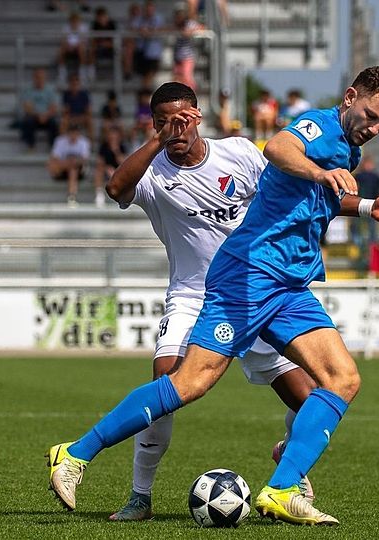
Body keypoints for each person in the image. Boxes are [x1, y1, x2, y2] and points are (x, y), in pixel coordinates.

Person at [45, 66, 379, 525]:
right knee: (189, 384)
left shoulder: (345, 151)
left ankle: (280, 489)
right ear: (350, 96)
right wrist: (321, 174)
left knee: (342, 379)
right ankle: (76, 454)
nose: (375, 128)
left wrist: (366, 206)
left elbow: (299, 193)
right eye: (372, 114)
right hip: (247, 276)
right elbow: (281, 148)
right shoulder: (318, 127)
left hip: (288, 285)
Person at [98, 82, 317, 520]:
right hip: (192, 296)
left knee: (311, 398)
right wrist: (158, 139)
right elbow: (115, 188)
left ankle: (290, 461)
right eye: (163, 122)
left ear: (197, 116)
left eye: (180, 120)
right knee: (166, 381)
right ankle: (140, 496)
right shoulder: (153, 172)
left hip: (254, 293)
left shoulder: (238, 152)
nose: (174, 129)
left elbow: (280, 195)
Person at [47, 123, 91, 207]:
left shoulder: (84, 142)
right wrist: (69, 162)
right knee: (56, 164)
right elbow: (54, 158)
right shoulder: (60, 141)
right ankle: (71, 196)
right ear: (68, 133)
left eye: (76, 133)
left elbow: (84, 160)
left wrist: (72, 162)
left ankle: (72, 195)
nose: (73, 135)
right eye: (72, 133)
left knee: (73, 169)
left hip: (79, 170)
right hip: (62, 169)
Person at [350, 153, 379, 250]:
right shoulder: (360, 176)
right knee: (358, 225)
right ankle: (359, 243)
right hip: (360, 203)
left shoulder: (375, 177)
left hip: (370, 204)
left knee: (371, 226)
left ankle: (370, 244)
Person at [19, 68, 60, 151]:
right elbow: (27, 108)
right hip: (34, 116)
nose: (40, 79)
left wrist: (45, 115)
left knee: (54, 123)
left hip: (47, 116)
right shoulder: (28, 90)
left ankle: (52, 146)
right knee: (28, 121)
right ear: (34, 78)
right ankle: (31, 146)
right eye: (37, 77)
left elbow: (54, 107)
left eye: (42, 77)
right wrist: (39, 115)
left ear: (45, 78)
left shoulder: (50, 90)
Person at [92, 127, 126, 208]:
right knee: (98, 171)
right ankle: (99, 195)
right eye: (111, 135)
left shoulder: (122, 147)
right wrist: (107, 168)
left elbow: (124, 163)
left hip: (119, 172)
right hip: (106, 171)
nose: (113, 138)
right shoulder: (103, 146)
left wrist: (116, 151)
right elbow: (99, 162)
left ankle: (123, 197)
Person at [171, 7, 201, 91]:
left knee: (187, 77)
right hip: (177, 56)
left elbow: (202, 27)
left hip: (187, 56)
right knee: (176, 78)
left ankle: (192, 94)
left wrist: (190, 32)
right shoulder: (175, 25)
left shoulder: (189, 24)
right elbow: (165, 29)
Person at [56, 13, 87, 86]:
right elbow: (63, 41)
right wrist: (68, 46)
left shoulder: (84, 28)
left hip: (79, 49)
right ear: (70, 22)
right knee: (61, 50)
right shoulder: (65, 28)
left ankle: (82, 75)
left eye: (76, 21)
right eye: (73, 21)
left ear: (79, 22)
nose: (74, 23)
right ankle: (62, 75)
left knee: (81, 49)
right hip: (68, 48)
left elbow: (84, 42)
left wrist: (76, 46)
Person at [89, 7, 117, 80]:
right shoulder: (95, 25)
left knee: (119, 51)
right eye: (99, 17)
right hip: (99, 48)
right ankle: (91, 74)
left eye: (103, 16)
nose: (101, 18)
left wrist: (106, 43)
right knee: (92, 50)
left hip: (110, 48)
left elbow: (115, 40)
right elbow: (93, 40)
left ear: (106, 16)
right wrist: (100, 44)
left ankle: (118, 75)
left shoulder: (112, 25)